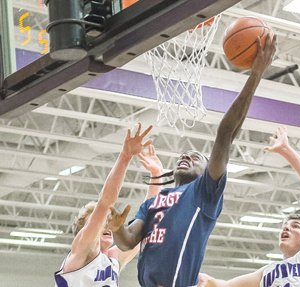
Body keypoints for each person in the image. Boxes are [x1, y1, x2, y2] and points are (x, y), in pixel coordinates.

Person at [108, 34, 276, 287]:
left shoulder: (204, 192)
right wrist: (117, 228)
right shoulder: (155, 202)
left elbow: (226, 134)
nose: (186, 155)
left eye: (195, 157)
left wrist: (255, 75)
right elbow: (128, 241)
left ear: (209, 170)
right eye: (183, 154)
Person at [197, 127, 300, 287]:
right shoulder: (268, 272)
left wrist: (286, 150)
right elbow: (224, 285)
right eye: (285, 226)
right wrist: (200, 278)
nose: (287, 229)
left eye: (295, 226)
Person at [54, 123, 162, 286]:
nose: (106, 224)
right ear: (84, 230)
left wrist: (156, 175)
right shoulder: (82, 250)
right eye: (101, 221)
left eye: (107, 221)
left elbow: (146, 226)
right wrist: (125, 157)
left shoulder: (112, 259)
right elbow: (105, 203)